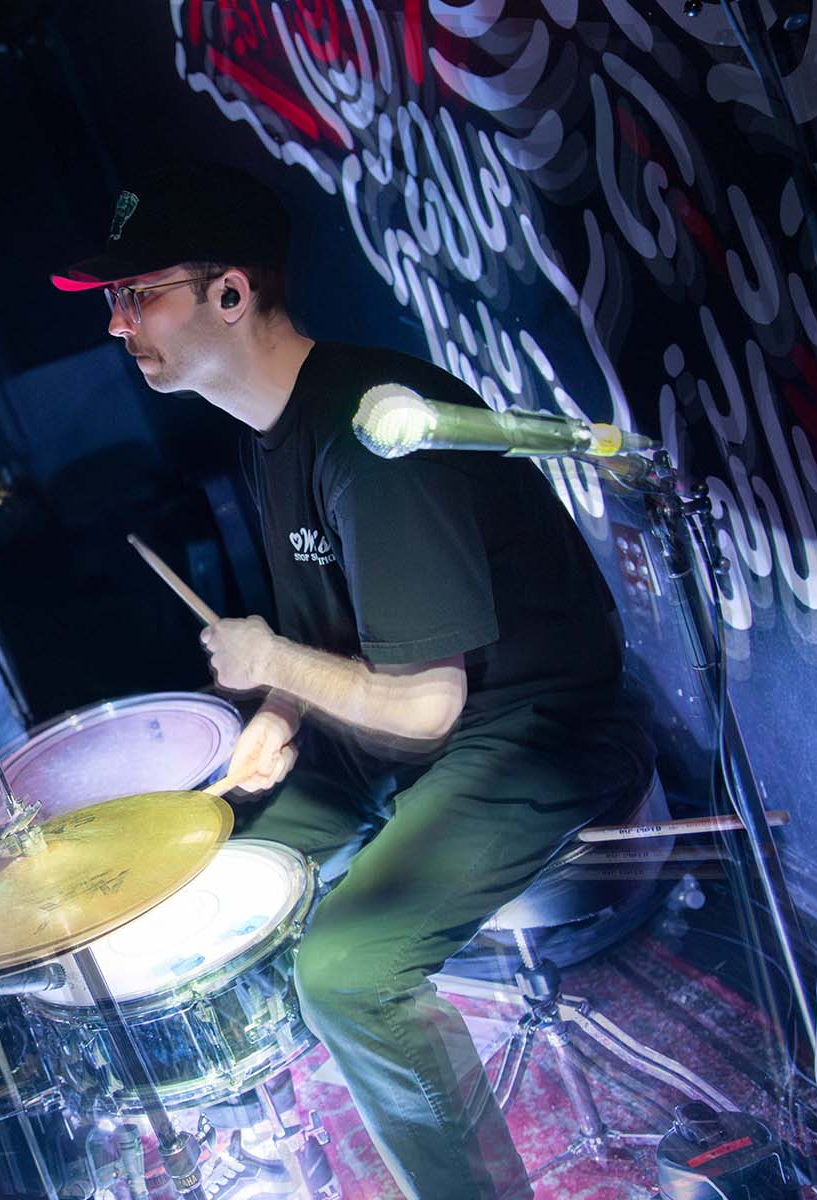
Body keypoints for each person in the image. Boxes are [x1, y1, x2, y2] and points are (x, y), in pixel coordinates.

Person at [50, 164, 655, 1199]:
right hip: (393, 734)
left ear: (230, 293)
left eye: (137, 294)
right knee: (200, 872)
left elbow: (429, 703)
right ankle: (263, 1133)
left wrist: (275, 666)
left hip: (531, 728)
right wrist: (282, 711)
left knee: (346, 971)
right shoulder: (270, 432)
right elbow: (336, 627)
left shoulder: (373, 435)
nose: (116, 323)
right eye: (114, 299)